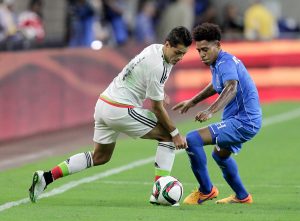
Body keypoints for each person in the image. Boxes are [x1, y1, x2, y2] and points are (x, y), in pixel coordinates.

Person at [29, 26, 192, 203]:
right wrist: (176, 134)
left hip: (104, 104)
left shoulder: (154, 49)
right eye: (177, 52)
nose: (180, 58)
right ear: (167, 44)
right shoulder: (157, 66)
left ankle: (46, 177)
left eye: (183, 54)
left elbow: (140, 79)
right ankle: (158, 193)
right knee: (167, 136)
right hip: (120, 108)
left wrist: (160, 95)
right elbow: (157, 108)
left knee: (100, 156)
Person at [173, 23, 262, 204]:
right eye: (199, 51)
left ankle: (206, 190)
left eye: (205, 49)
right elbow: (216, 85)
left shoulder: (225, 62)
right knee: (219, 155)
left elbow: (231, 87)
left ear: (218, 45)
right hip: (243, 120)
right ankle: (242, 196)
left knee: (192, 139)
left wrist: (210, 111)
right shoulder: (218, 62)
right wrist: (193, 102)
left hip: (243, 122)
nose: (202, 54)